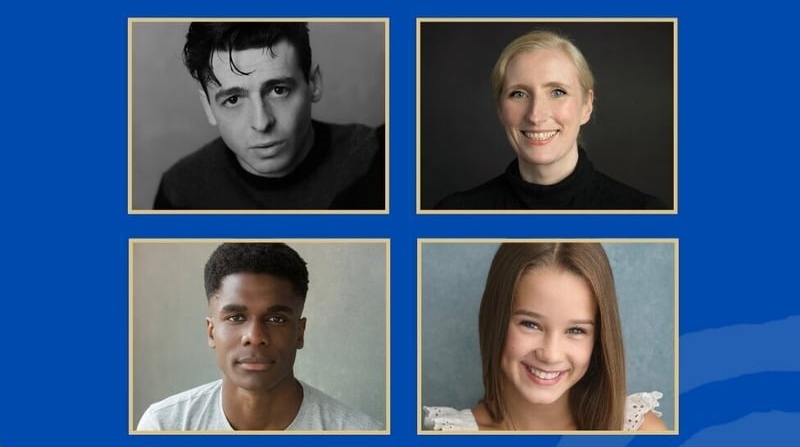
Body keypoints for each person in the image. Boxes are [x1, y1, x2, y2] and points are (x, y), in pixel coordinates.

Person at [422, 242, 667, 431]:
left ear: (599, 339)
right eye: (530, 324)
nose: (550, 354)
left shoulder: (642, 431)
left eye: (576, 330)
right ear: (495, 320)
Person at [137, 243, 381, 430]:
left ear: (300, 333)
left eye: (276, 319)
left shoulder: (361, 433)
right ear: (211, 332)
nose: (255, 336)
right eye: (235, 317)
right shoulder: (164, 425)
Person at [153, 22, 384, 210]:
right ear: (208, 107)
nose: (261, 122)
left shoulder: (377, 159)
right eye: (233, 100)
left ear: (313, 83)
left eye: (278, 90)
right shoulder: (179, 194)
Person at [435, 31, 665, 210]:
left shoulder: (645, 213)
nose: (536, 115)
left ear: (586, 106)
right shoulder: (454, 212)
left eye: (557, 92)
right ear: (500, 108)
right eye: (519, 94)